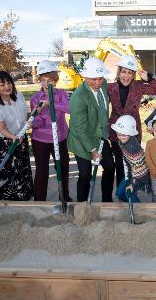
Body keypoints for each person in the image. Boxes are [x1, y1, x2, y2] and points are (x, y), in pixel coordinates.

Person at [108, 55, 156, 186]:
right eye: (123, 72)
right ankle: (122, 191)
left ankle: (132, 189)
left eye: (129, 73)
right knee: (119, 163)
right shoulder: (111, 88)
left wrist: (148, 78)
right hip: (116, 131)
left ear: (133, 75)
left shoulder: (139, 86)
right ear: (119, 72)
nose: (126, 76)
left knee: (133, 163)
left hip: (133, 131)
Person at [68, 57, 116, 202]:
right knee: (85, 173)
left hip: (99, 135)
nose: (97, 83)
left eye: (100, 78)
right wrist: (93, 151)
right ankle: (82, 204)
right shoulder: (78, 97)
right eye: (93, 79)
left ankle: (106, 200)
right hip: (81, 139)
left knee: (109, 166)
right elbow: (80, 129)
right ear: (85, 77)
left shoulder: (103, 84)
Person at [0, 71, 33, 200]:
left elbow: (26, 115)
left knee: (20, 171)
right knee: (3, 173)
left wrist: (30, 120)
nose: (7, 86)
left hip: (19, 139)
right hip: (0, 144)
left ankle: (22, 198)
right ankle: (1, 202)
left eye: (9, 82)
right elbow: (1, 128)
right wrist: (13, 137)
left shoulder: (18, 96)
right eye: (2, 84)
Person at [29, 60, 71, 201]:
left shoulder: (62, 94)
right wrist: (33, 119)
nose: (47, 84)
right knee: (41, 172)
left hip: (60, 139)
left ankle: (64, 197)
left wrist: (51, 103)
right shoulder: (36, 98)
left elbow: (68, 109)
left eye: (50, 81)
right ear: (40, 81)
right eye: (43, 80)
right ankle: (39, 200)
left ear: (56, 81)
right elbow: (38, 121)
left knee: (63, 169)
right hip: (40, 140)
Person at [111, 115, 151, 202]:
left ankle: (138, 209)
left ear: (130, 133)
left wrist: (131, 184)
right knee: (119, 193)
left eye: (123, 134)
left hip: (139, 175)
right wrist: (127, 176)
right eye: (118, 134)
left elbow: (138, 169)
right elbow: (126, 160)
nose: (121, 137)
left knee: (127, 193)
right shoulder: (124, 142)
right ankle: (131, 207)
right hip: (130, 172)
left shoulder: (133, 148)